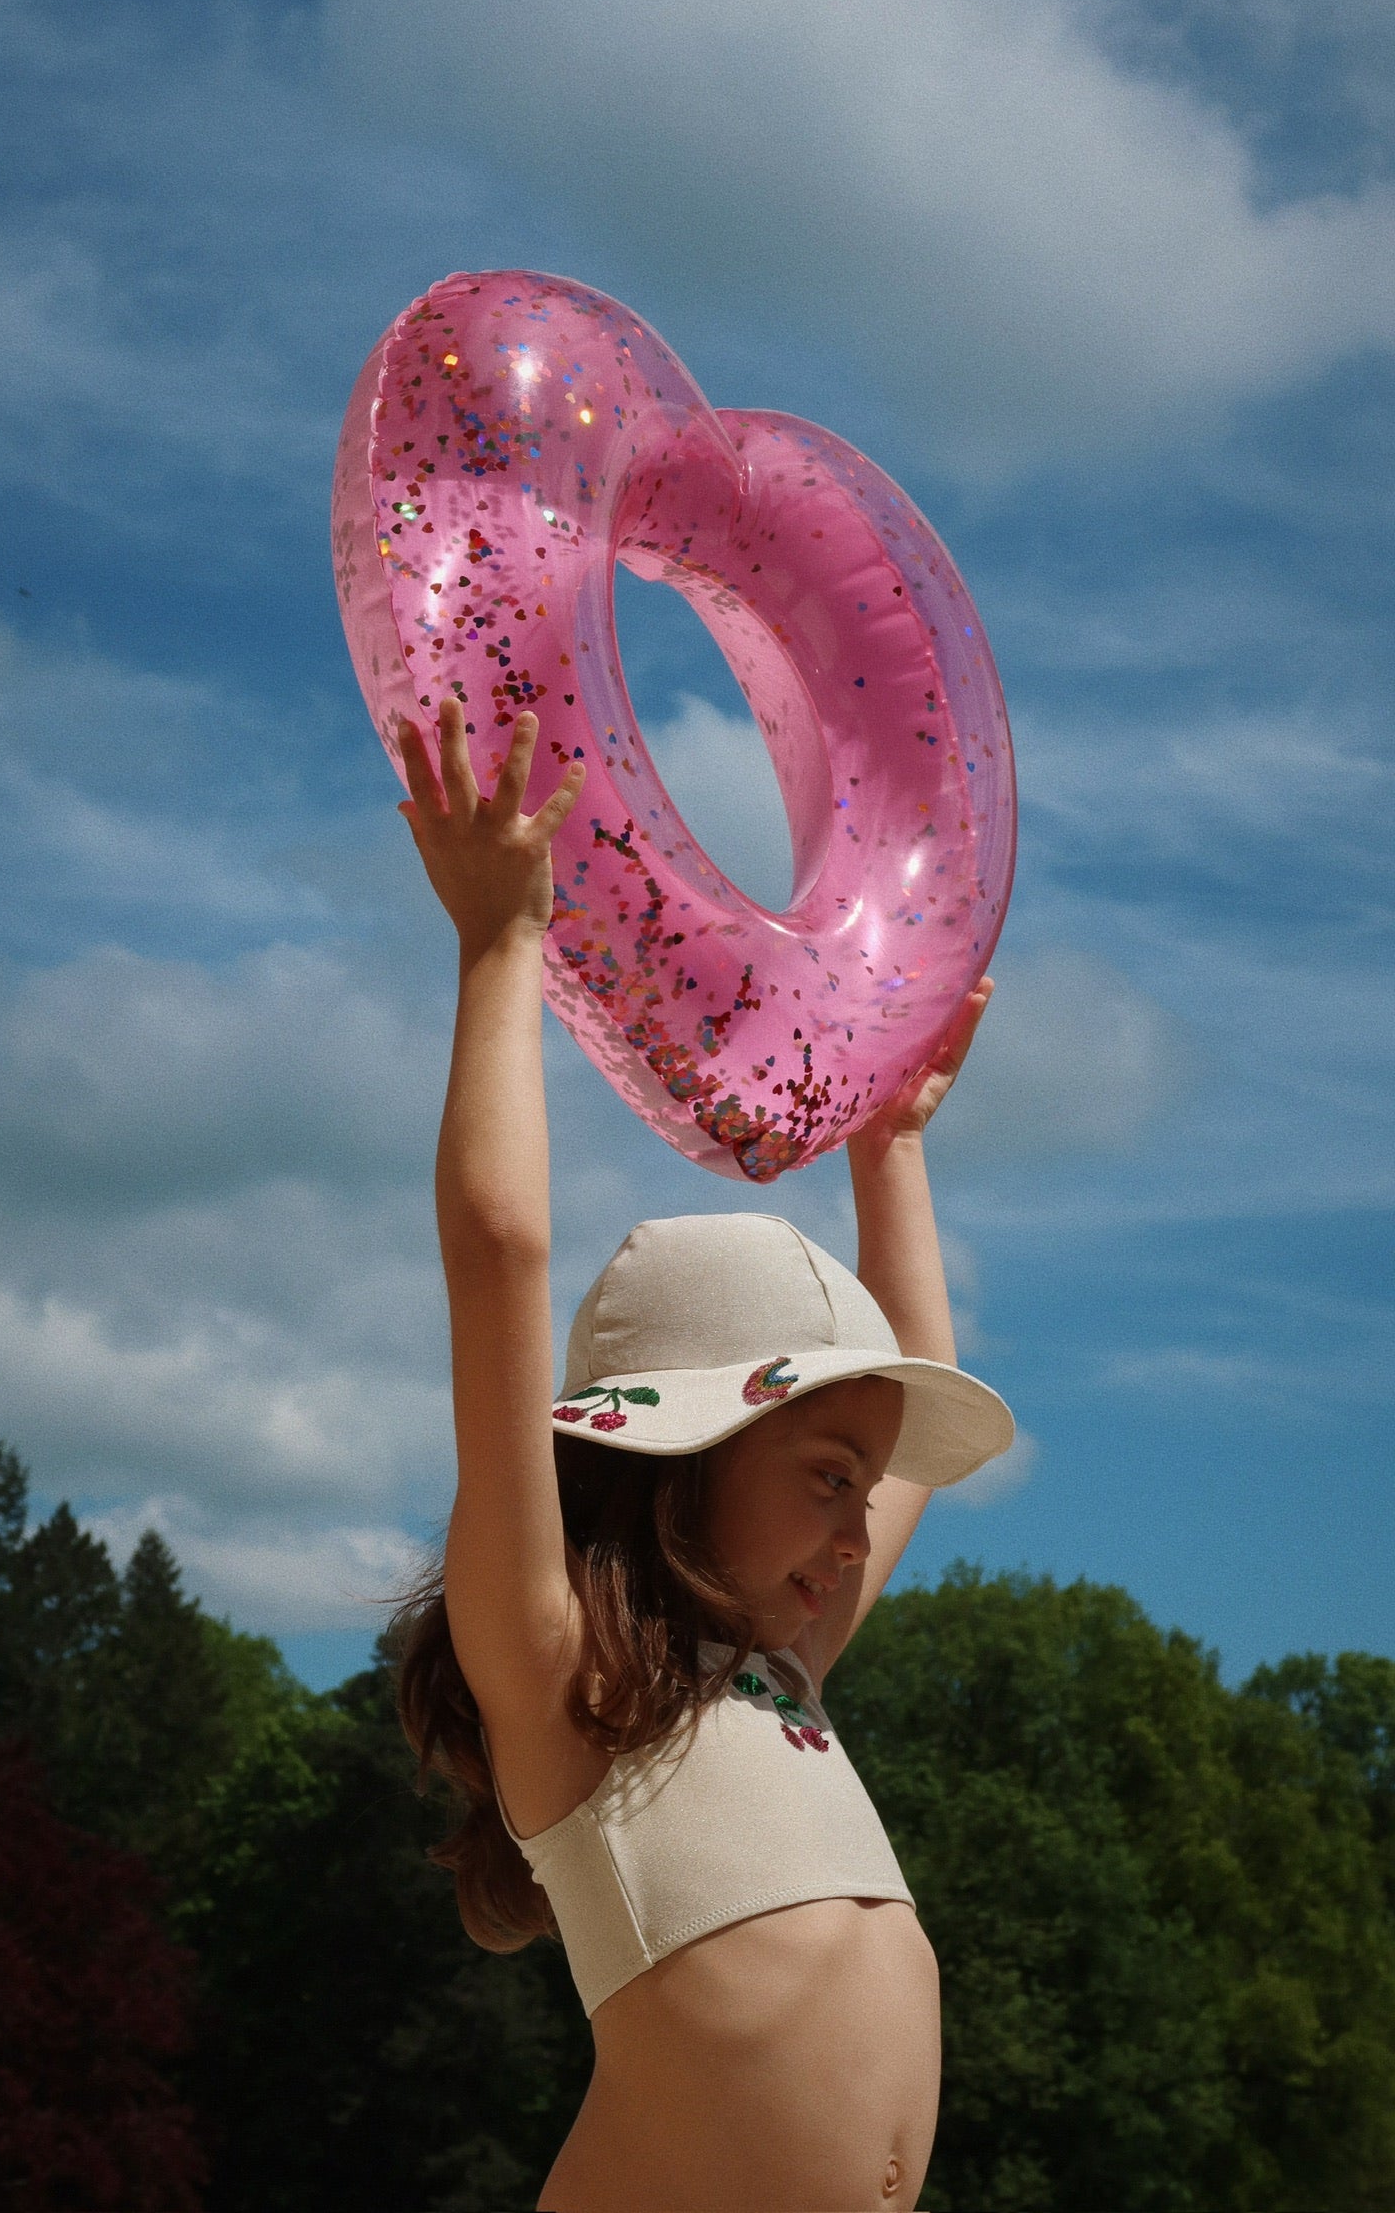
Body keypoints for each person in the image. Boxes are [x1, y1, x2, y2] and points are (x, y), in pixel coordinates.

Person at [389, 698, 1014, 2213]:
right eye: (822, 1477)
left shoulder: (782, 1673)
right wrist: (501, 947)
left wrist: (896, 1148)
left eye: (858, 1490)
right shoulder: (565, 1682)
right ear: (681, 1456)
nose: (862, 1528)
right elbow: (497, 1255)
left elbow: (914, 1416)